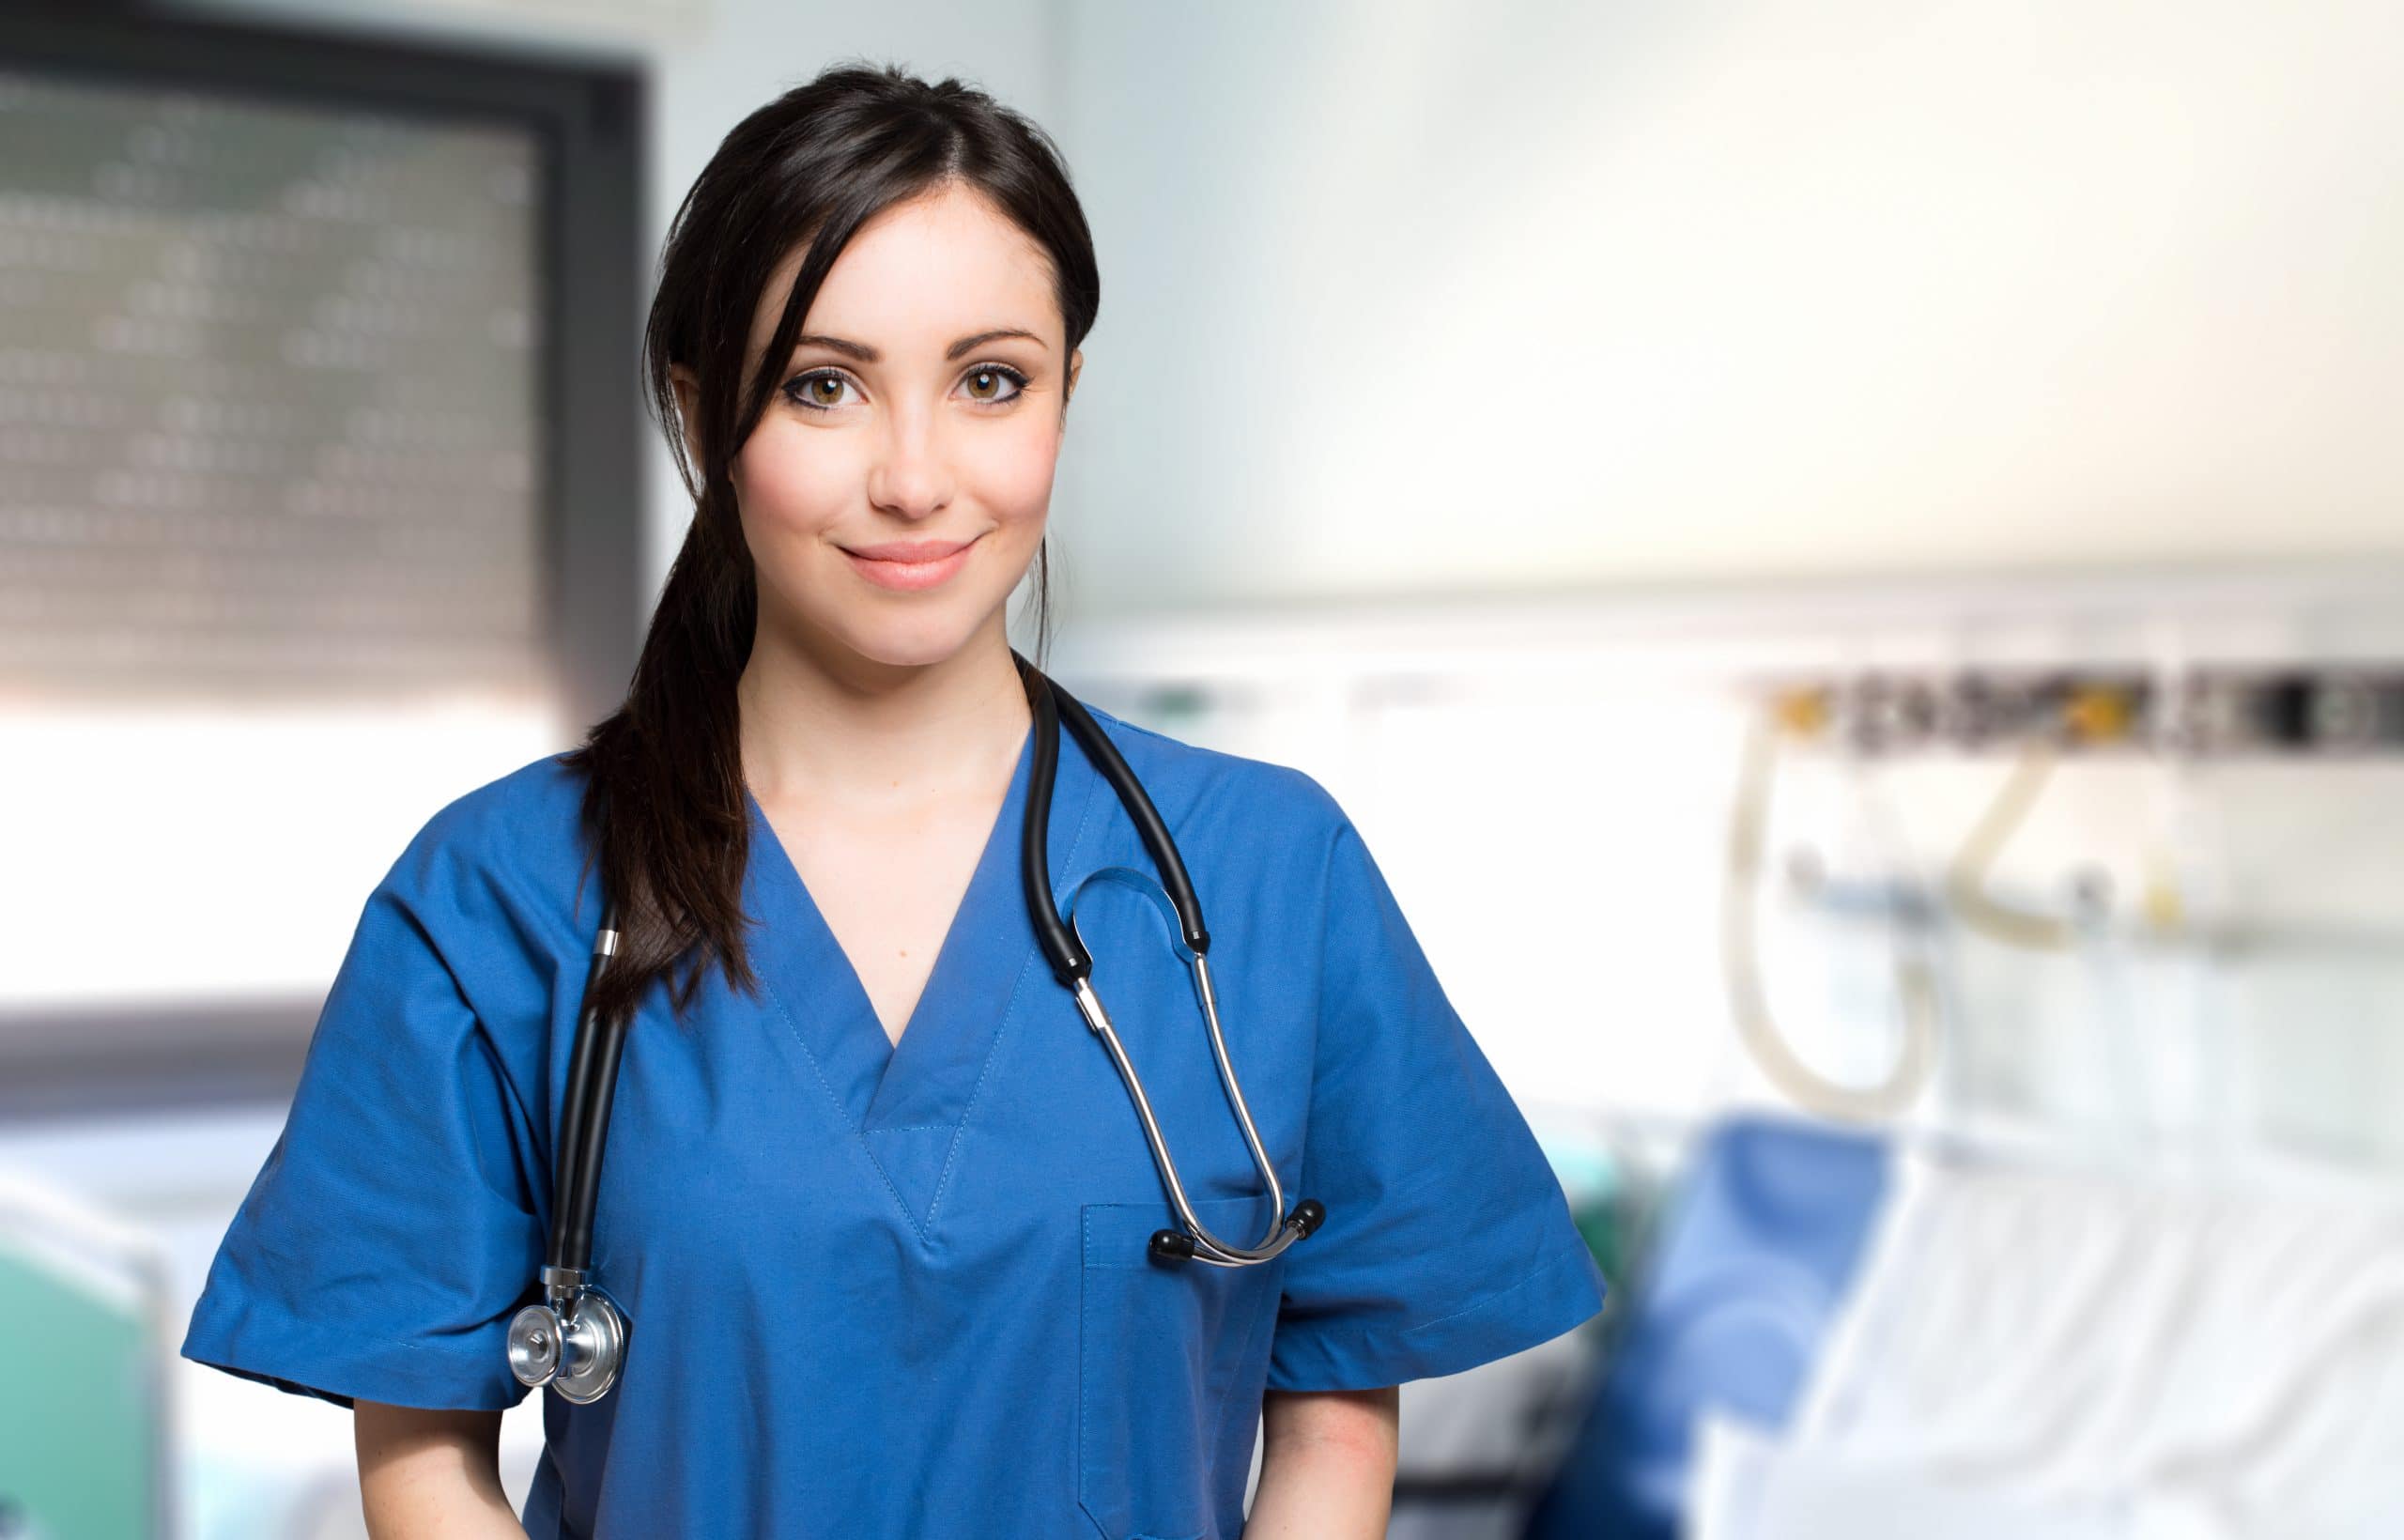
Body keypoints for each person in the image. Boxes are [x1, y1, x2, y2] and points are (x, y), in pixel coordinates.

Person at [179, 61, 1606, 1538]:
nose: (916, 477)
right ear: (701, 411)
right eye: (823, 386)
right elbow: (421, 1450)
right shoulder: (506, 893)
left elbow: (1334, 1401)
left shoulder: (1264, 873)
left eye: (991, 380)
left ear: (1063, 394)